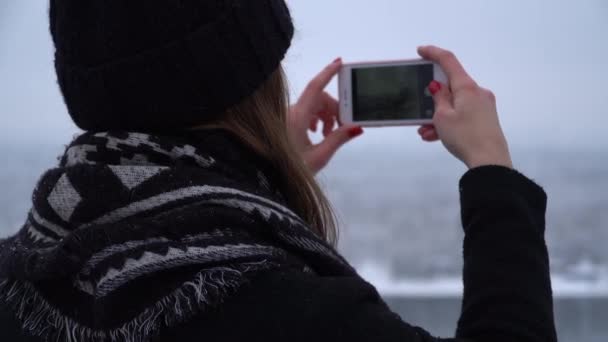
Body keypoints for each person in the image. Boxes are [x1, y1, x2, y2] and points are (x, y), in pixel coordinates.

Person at [0, 1, 557, 341]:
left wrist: (256, 166)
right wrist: (491, 169)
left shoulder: (24, 272)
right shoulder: (290, 313)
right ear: (252, 87)